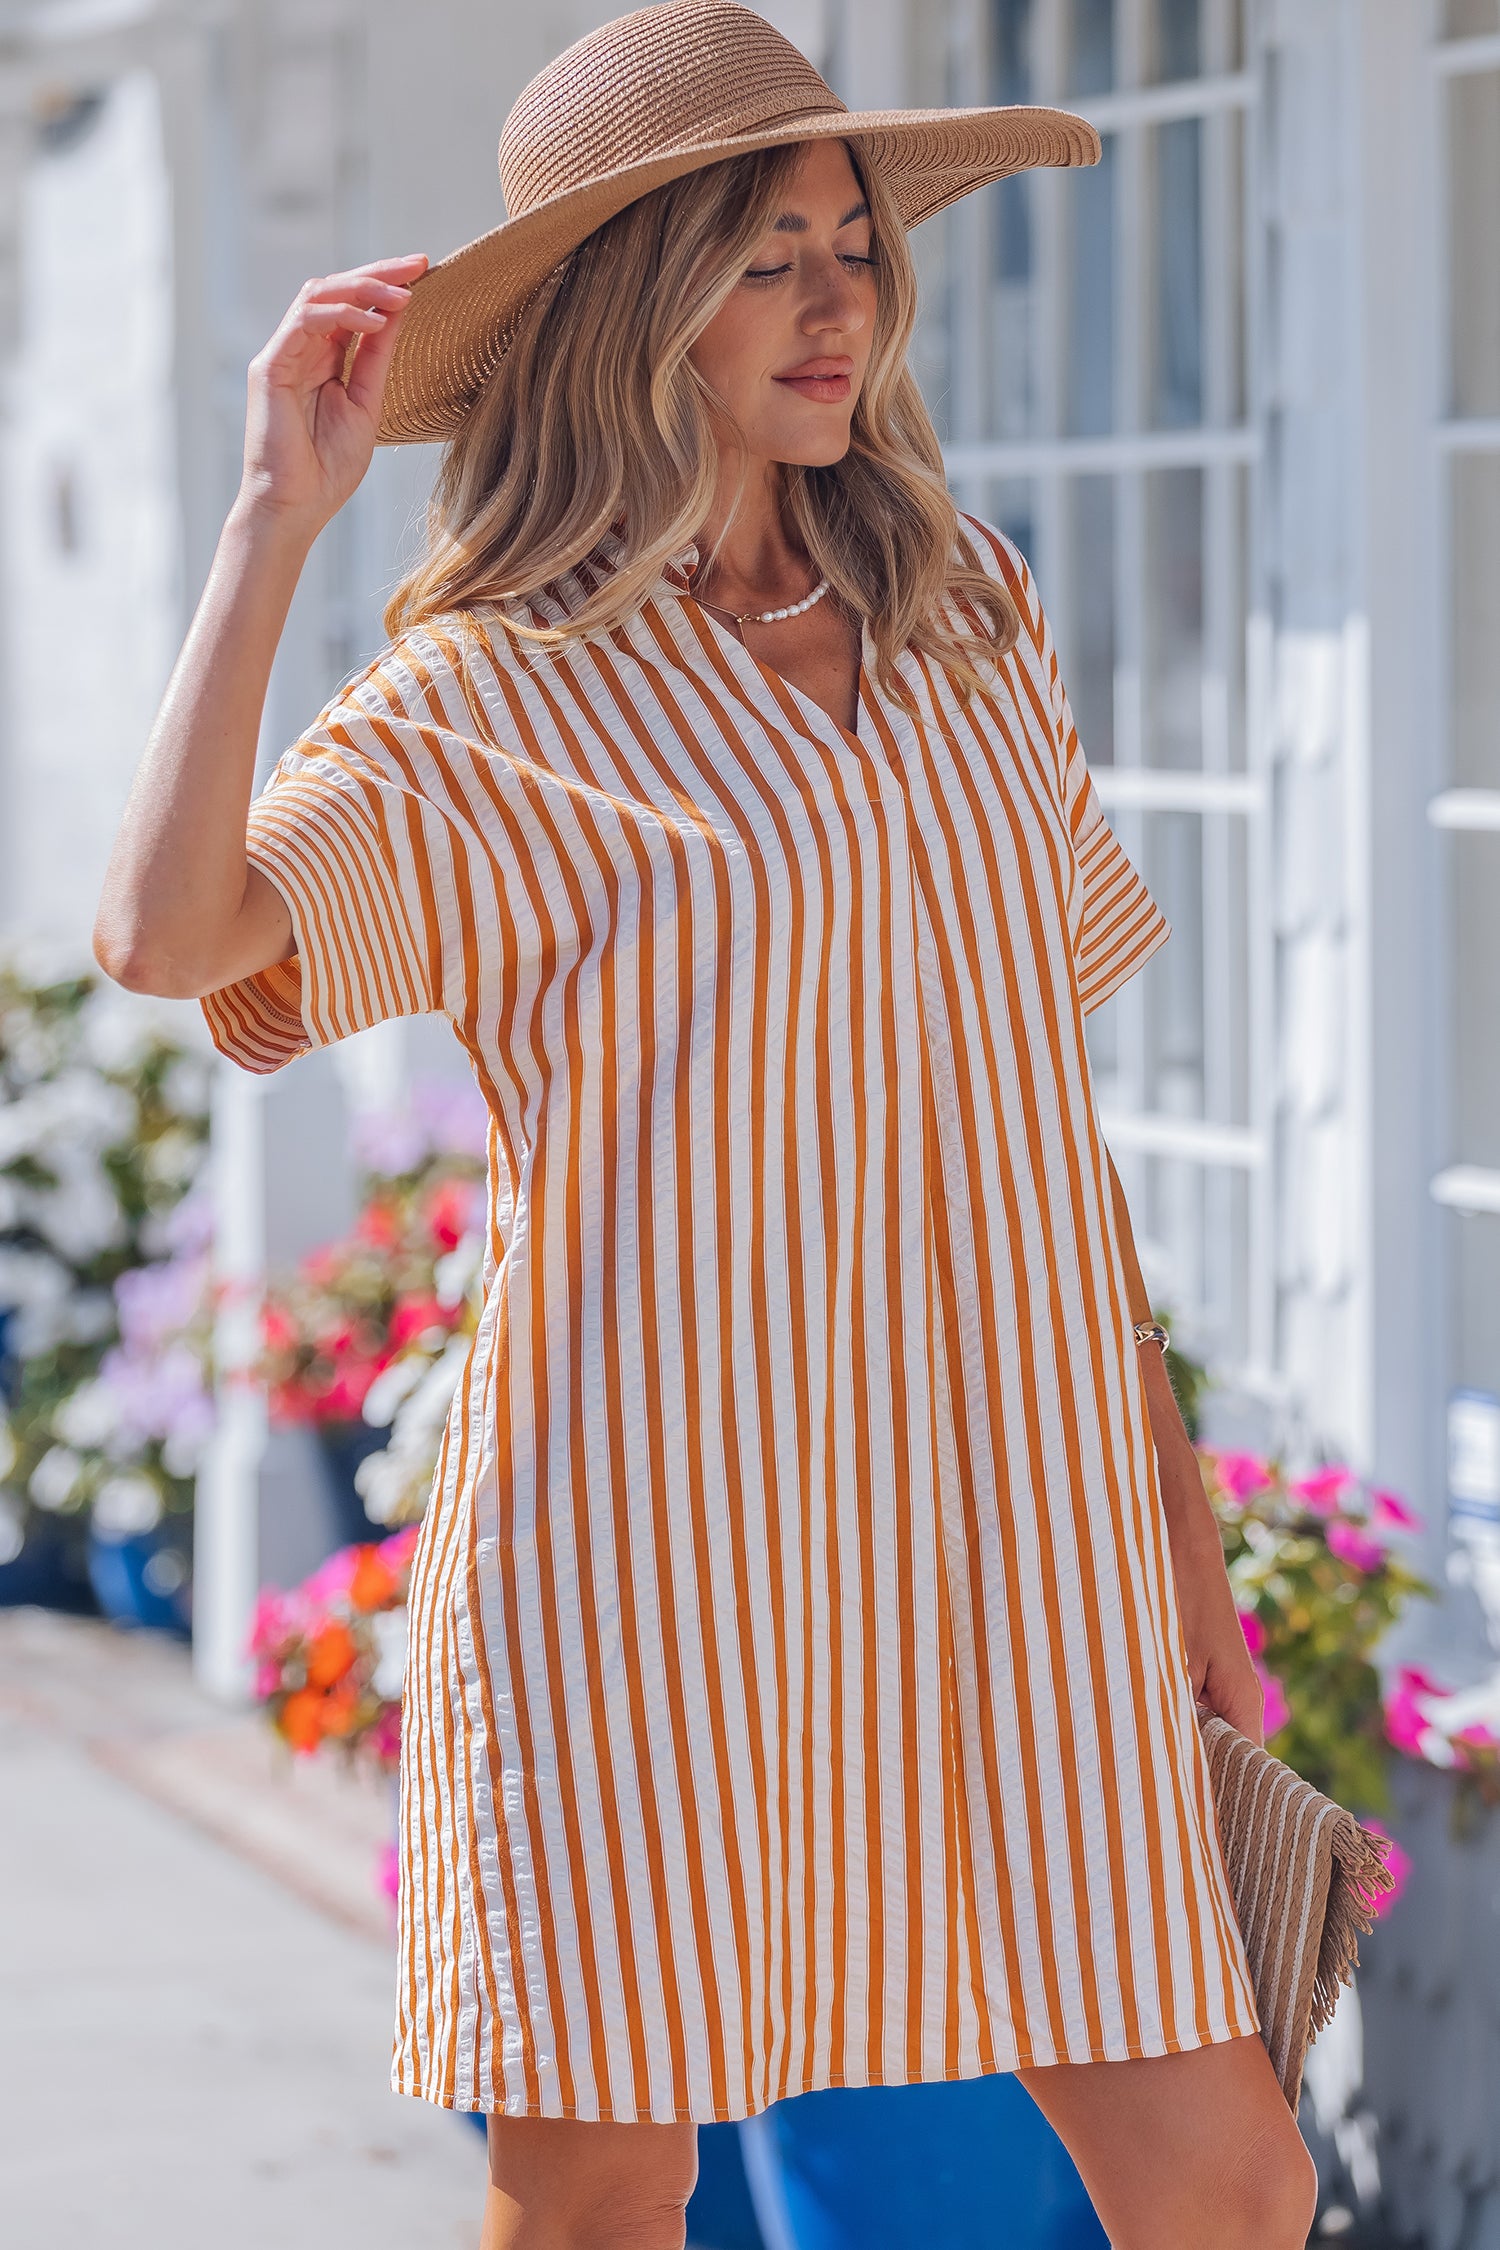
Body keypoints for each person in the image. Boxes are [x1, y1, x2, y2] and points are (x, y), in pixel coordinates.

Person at [94, 5, 1319, 2245]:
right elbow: (169, 936)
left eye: (856, 243)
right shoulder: (499, 692)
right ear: (630, 300)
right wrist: (276, 518)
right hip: (647, 1558)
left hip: (1007, 1544)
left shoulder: (968, 616)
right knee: (598, 2210)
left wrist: (1181, 1555)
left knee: (1226, 2180)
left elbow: (1045, 1134)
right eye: (768, 254)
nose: (839, 300)